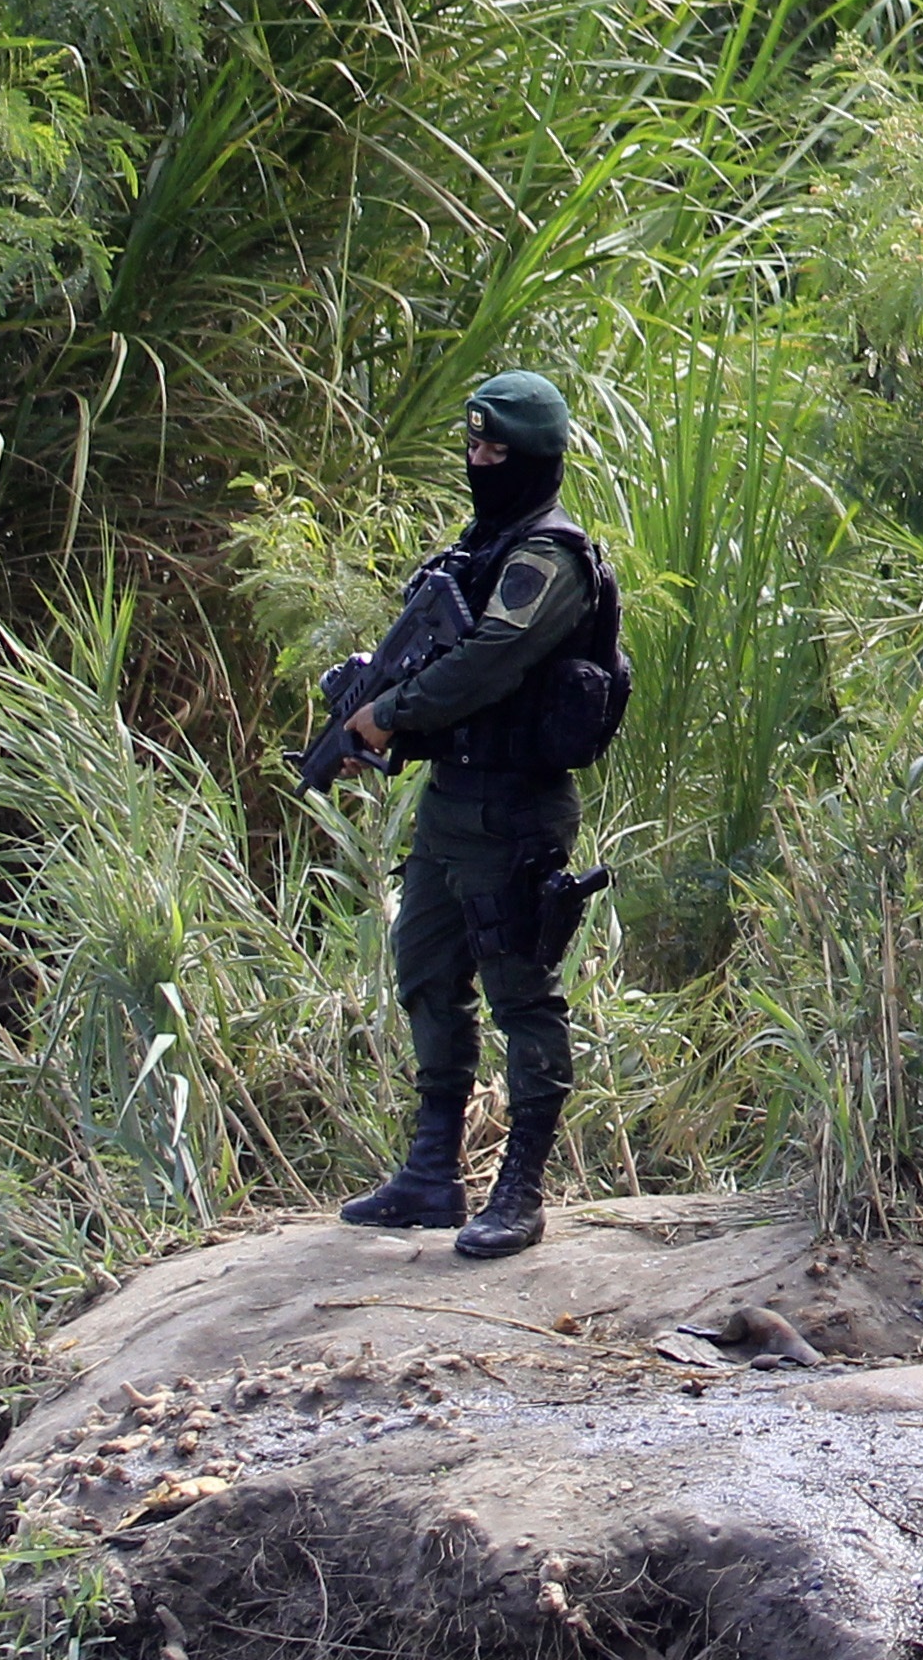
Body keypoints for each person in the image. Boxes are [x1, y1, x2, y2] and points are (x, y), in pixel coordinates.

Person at [329, 372, 625, 1259]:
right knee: (423, 969)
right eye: (473, 447)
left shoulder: (550, 558)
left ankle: (523, 1186)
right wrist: (376, 721)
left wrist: (390, 714)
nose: (480, 461)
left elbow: (495, 659)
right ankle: (430, 1172)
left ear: (536, 455)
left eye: (498, 450)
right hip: (453, 802)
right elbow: (444, 651)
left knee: (519, 992)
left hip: (517, 809)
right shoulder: (480, 549)